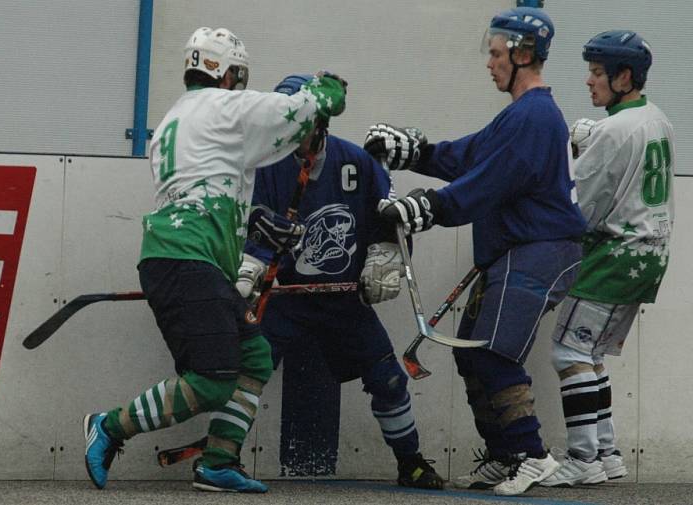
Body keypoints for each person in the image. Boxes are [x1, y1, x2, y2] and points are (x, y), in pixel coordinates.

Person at [81, 27, 346, 493]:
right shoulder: (222, 107)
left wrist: (253, 220)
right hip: (187, 258)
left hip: (185, 257)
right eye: (238, 75)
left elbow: (214, 174)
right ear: (225, 73)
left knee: (254, 357)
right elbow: (299, 109)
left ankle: (219, 460)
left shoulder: (173, 120)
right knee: (212, 379)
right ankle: (108, 426)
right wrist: (328, 88)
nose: (240, 84)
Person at [363, 7, 586, 496]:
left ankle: (532, 455)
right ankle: (506, 456)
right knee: (472, 356)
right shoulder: (521, 115)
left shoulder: (535, 116)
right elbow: (469, 157)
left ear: (522, 54)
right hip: (516, 251)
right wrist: (415, 153)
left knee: (493, 353)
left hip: (539, 249)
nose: (489, 63)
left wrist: (431, 206)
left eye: (495, 53)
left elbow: (487, 183)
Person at [236, 74, 445, 489]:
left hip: (343, 302)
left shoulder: (356, 163)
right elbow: (250, 227)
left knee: (387, 378)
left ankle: (412, 463)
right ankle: (222, 456)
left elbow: (389, 223)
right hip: (284, 300)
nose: (289, 133)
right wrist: (250, 267)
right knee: (248, 372)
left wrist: (383, 258)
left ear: (320, 120)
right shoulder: (262, 166)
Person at [540, 30, 674, 488]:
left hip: (617, 254)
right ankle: (607, 452)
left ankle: (583, 458)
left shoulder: (615, 131)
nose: (588, 81)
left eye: (597, 73)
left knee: (567, 349)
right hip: (648, 254)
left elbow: (581, 208)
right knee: (589, 351)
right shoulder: (656, 118)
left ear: (623, 77)